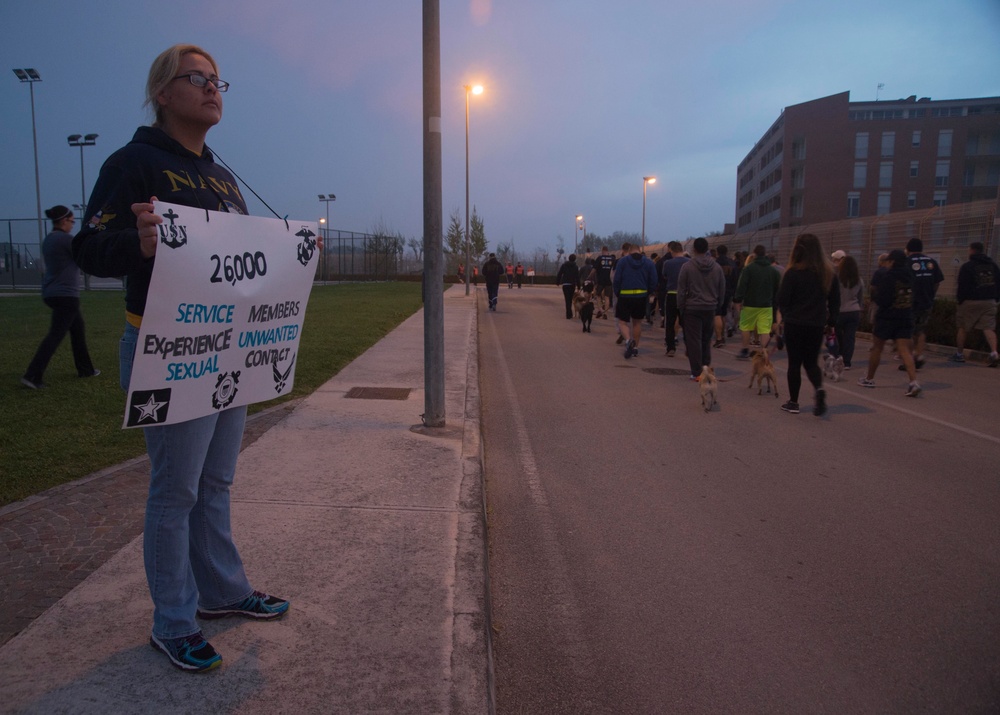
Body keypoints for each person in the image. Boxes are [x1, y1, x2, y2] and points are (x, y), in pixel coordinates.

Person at [72, 44, 289, 673]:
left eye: (219, 80)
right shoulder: (133, 163)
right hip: (167, 352)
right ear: (163, 93)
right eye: (198, 78)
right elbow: (89, 246)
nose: (213, 88)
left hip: (230, 352)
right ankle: (173, 620)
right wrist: (135, 243)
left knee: (216, 483)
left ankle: (220, 593)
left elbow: (244, 266)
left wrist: (291, 259)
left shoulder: (223, 177)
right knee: (175, 491)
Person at [21, 205, 100, 389]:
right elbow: (83, 252)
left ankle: (85, 369)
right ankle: (32, 375)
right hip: (65, 295)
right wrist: (94, 226)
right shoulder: (64, 240)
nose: (72, 225)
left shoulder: (50, 239)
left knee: (77, 330)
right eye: (71, 221)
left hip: (53, 292)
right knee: (55, 335)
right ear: (63, 221)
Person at [775, 234, 840, 415]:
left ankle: (793, 402)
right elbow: (835, 301)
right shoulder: (828, 274)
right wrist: (831, 321)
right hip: (816, 324)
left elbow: (782, 300)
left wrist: (785, 316)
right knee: (811, 362)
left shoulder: (793, 273)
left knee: (794, 363)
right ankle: (818, 389)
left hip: (795, 323)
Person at [857, 249, 921, 396]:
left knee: (877, 348)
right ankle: (913, 382)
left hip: (886, 318)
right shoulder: (911, 276)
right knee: (904, 350)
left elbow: (883, 299)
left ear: (892, 261)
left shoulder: (888, 276)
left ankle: (869, 379)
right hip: (905, 317)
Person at [677, 238, 725, 378]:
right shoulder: (717, 268)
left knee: (693, 340)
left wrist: (681, 307)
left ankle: (697, 372)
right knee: (706, 339)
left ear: (694, 250)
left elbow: (681, 289)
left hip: (692, 308)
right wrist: (718, 305)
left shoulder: (687, 267)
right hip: (710, 307)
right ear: (707, 249)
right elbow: (722, 288)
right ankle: (705, 367)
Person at [950, 241, 1000, 366]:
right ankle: (994, 353)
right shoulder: (993, 266)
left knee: (963, 327)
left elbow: (962, 286)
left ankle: (960, 354)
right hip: (989, 301)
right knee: (988, 328)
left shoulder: (967, 266)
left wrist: (960, 300)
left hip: (970, 302)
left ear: (972, 250)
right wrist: (996, 298)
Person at [901, 238, 944, 371]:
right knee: (920, 329)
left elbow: (902, 282)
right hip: (926, 301)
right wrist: (931, 294)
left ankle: (909, 359)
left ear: (908, 249)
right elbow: (937, 282)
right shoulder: (931, 262)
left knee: (907, 331)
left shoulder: (906, 262)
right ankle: (919, 355)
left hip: (910, 302)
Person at [733, 245, 780, 359]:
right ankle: (764, 351)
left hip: (750, 303)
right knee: (764, 329)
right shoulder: (773, 271)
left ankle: (745, 349)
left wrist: (738, 299)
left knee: (746, 327)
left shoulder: (748, 269)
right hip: (766, 305)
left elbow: (742, 286)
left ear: (754, 254)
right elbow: (777, 289)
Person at [612, 243, 658, 358]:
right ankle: (636, 347)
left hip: (625, 296)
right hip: (641, 296)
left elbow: (616, 279)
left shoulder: (622, 261)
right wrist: (648, 292)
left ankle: (628, 341)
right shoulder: (648, 263)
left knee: (622, 322)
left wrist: (618, 292)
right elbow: (654, 280)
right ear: (639, 250)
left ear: (629, 250)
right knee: (637, 323)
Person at [830, 255, 864, 369]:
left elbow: (832, 296)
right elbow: (860, 297)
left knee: (838, 336)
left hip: (840, 311)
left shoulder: (837, 279)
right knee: (850, 338)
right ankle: (847, 362)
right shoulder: (858, 280)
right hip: (854, 311)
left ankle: (838, 356)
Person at [661, 241, 689, 357]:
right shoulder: (689, 263)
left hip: (672, 294)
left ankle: (671, 348)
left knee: (670, 323)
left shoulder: (668, 263)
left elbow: (664, 276)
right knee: (686, 323)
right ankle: (689, 348)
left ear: (671, 251)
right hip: (686, 295)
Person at [713, 244, 737, 348]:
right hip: (729, 291)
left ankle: (719, 337)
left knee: (717, 315)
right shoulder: (732, 263)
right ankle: (723, 334)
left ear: (717, 252)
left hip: (717, 292)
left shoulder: (715, 263)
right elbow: (736, 278)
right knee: (724, 313)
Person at [555, 253, 581, 319]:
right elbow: (577, 277)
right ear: (575, 259)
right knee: (570, 299)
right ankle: (570, 313)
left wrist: (557, 282)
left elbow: (560, 274)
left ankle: (568, 314)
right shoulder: (575, 267)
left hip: (565, 284)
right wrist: (579, 286)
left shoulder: (564, 265)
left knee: (567, 299)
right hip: (572, 285)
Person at [592, 246, 615, 319]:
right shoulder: (612, 259)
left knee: (598, 295)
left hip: (601, 281)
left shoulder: (599, 258)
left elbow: (594, 269)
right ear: (607, 251)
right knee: (607, 297)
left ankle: (600, 310)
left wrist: (589, 277)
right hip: (609, 281)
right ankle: (605, 313)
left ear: (602, 250)